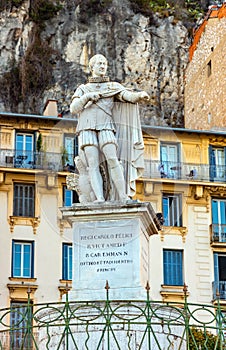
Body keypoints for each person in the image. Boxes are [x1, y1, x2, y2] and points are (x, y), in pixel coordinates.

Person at [70, 54, 149, 202]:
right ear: (91, 67)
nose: (102, 66)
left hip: (106, 126)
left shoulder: (112, 87)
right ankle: (99, 198)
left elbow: (127, 96)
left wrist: (139, 95)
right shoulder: (83, 89)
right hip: (86, 127)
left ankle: (123, 196)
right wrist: (87, 97)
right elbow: (74, 108)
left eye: (104, 64)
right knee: (93, 164)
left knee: (112, 159)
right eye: (99, 63)